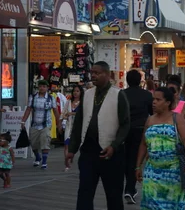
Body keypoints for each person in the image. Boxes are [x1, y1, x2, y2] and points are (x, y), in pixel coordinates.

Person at [66, 61, 131, 210]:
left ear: (107, 75)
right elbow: (79, 123)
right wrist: (72, 149)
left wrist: (114, 146)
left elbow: (126, 124)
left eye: (97, 73)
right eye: (92, 72)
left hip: (111, 154)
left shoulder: (119, 94)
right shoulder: (87, 94)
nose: (93, 75)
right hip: (88, 152)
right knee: (84, 193)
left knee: (114, 195)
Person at [135, 87, 185, 210]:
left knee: (171, 206)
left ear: (167, 102)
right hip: (152, 172)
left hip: (173, 172)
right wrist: (138, 166)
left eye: (158, 99)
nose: (154, 102)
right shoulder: (150, 119)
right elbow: (143, 144)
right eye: (153, 99)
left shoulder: (176, 118)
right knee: (151, 205)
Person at [122, 70, 153, 204]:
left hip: (124, 131)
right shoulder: (147, 95)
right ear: (140, 80)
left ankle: (129, 187)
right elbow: (152, 113)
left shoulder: (122, 94)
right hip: (140, 131)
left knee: (126, 159)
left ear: (127, 80)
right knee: (135, 160)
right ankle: (130, 188)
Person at [21, 80, 62, 169]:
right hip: (35, 124)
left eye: (44, 86)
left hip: (46, 124)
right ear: (38, 87)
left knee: (45, 142)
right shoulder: (32, 97)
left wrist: (59, 124)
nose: (42, 88)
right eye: (40, 86)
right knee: (33, 143)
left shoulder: (51, 98)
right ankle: (37, 157)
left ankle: (44, 161)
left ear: (47, 88)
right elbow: (28, 109)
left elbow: (56, 111)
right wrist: (23, 121)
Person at [62, 84, 83, 171]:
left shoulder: (83, 102)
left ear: (81, 92)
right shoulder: (68, 102)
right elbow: (63, 113)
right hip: (69, 126)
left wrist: (73, 113)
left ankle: (73, 156)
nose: (75, 93)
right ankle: (67, 163)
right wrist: (64, 117)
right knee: (66, 145)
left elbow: (84, 114)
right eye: (74, 91)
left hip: (79, 127)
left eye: (77, 91)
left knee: (80, 145)